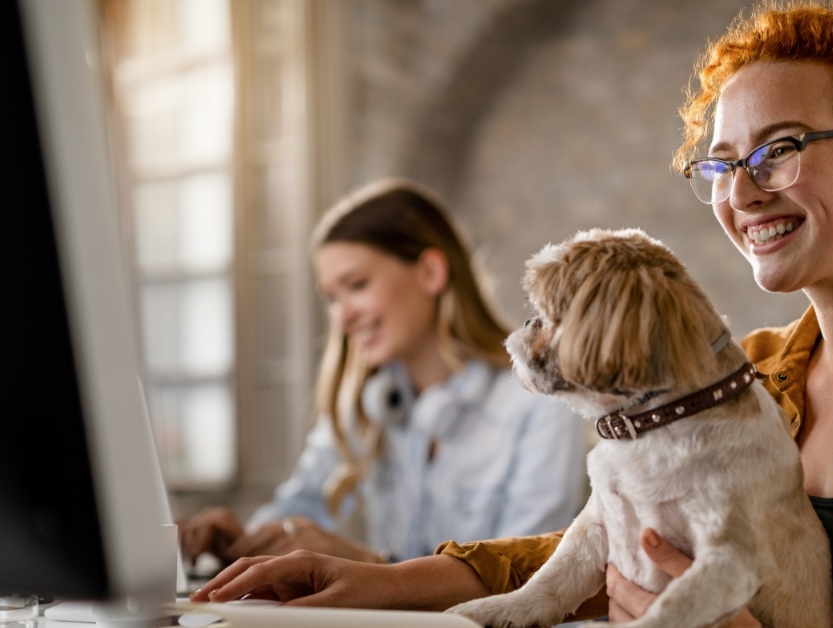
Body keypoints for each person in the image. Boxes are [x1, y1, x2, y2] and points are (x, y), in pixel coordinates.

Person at [189, 1, 833, 625]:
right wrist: (372, 584)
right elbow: (598, 536)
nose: (742, 193)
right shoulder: (750, 374)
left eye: (782, 150)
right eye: (721, 166)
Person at [179, 178, 586, 568]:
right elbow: (296, 511)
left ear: (430, 272)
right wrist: (241, 542)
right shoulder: (369, 402)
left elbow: (526, 583)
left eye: (356, 284)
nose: (342, 316)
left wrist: (369, 568)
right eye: (332, 298)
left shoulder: (541, 406)